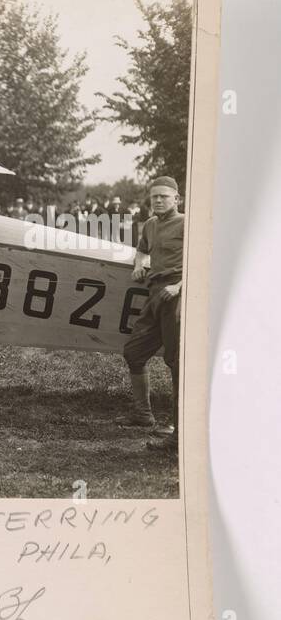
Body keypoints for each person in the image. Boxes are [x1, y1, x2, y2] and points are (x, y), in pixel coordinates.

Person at [119, 176, 184, 451]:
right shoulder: (150, 224)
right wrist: (140, 265)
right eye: (154, 196)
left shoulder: (186, 223)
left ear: (176, 200)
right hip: (155, 293)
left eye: (164, 196)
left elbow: (207, 259)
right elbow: (142, 251)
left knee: (178, 363)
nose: (158, 200)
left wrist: (181, 285)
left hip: (177, 294)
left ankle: (179, 433)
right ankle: (143, 414)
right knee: (134, 352)